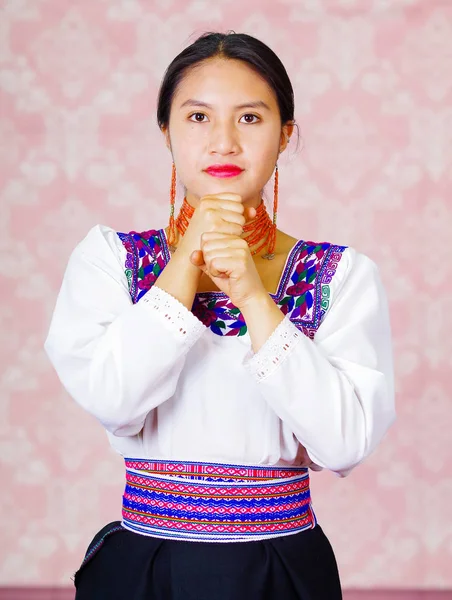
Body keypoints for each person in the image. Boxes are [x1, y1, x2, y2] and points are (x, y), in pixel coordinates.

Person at [44, 31, 395, 600]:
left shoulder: (341, 275)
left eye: (251, 119)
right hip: (143, 564)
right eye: (199, 117)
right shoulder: (110, 259)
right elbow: (114, 399)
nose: (224, 142)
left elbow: (345, 443)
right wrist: (186, 261)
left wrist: (257, 298)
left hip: (280, 566)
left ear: (285, 135)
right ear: (167, 132)